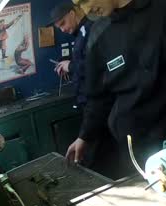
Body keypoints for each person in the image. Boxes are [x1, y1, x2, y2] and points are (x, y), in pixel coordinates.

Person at [66, 0, 166, 175]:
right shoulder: (98, 34)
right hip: (133, 144)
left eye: (86, 1)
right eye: (79, 4)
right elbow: (98, 97)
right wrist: (85, 135)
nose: (86, 9)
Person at [49, 2, 120, 178]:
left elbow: (96, 67)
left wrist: (71, 65)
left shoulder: (92, 30)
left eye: (63, 23)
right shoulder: (80, 35)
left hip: (101, 106)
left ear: (73, 13)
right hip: (89, 106)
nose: (63, 29)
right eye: (59, 28)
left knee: (101, 160)